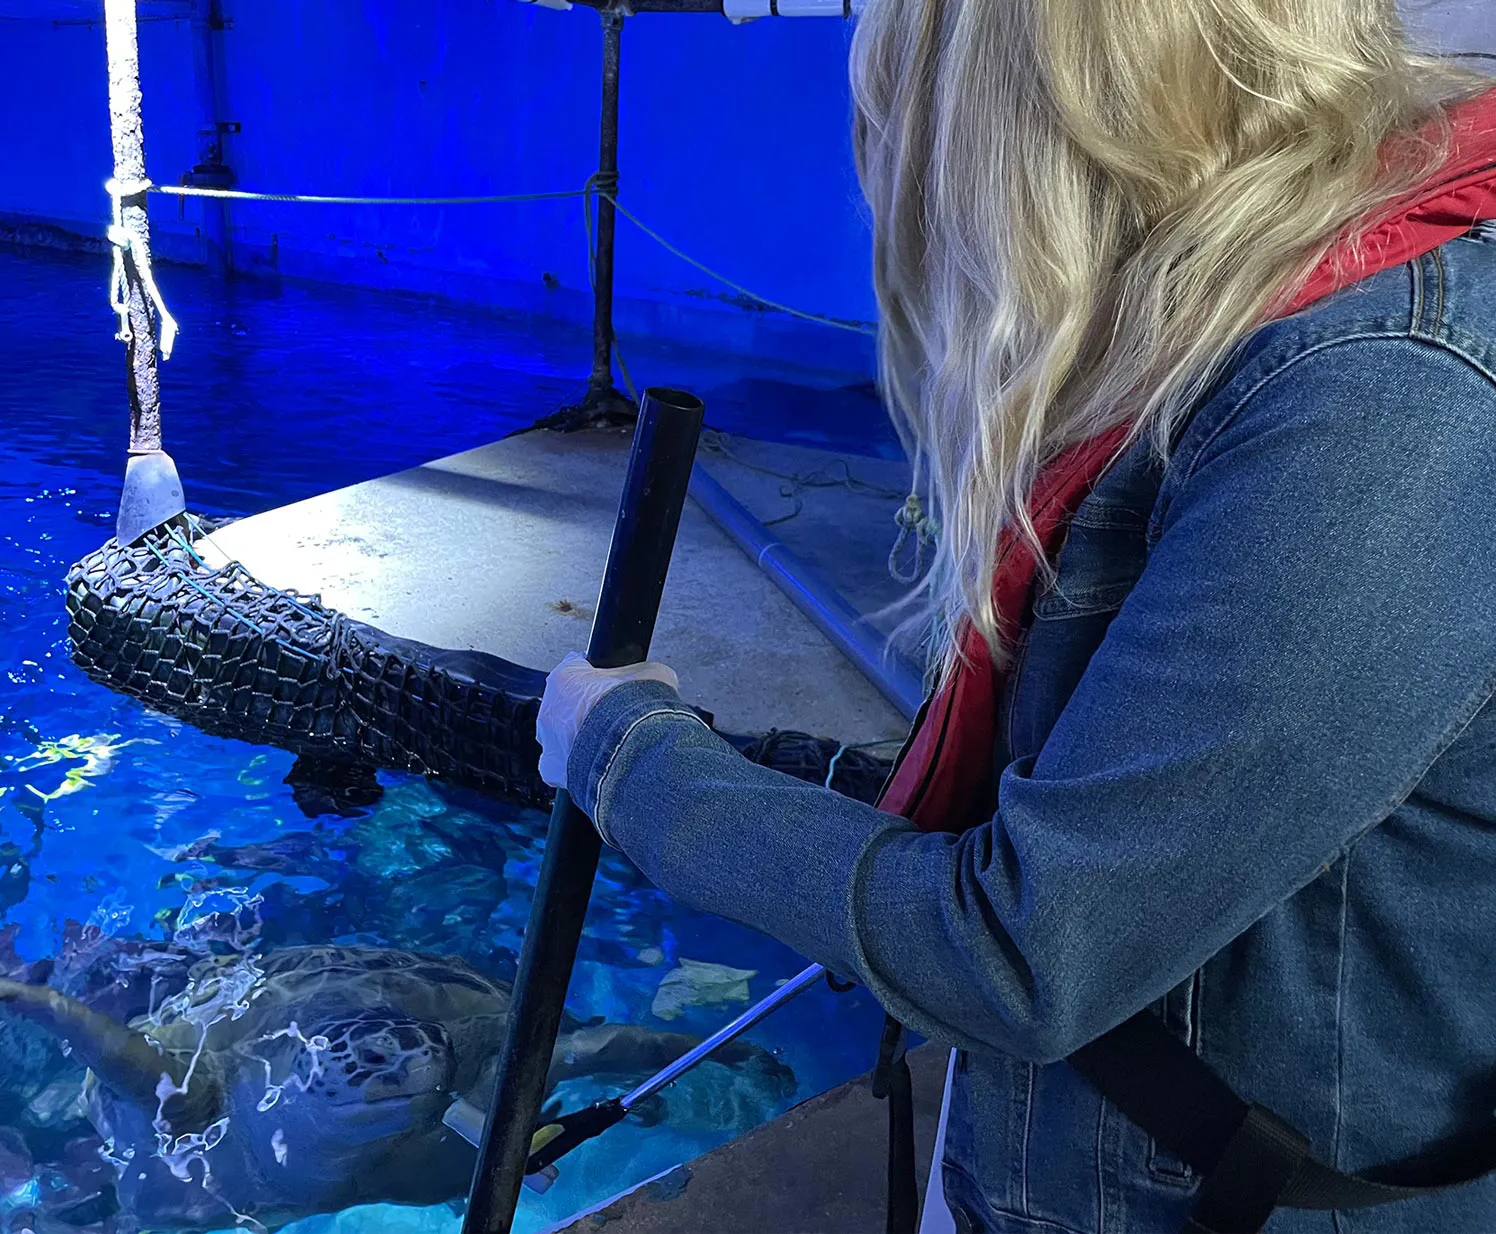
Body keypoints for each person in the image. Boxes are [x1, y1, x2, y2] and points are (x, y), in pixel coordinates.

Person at [534, 2, 1496, 1231]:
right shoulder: (1266, 321)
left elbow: (1026, 950)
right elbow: (1115, 783)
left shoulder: (1378, 406)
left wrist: (628, 764)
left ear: (1035, 119)